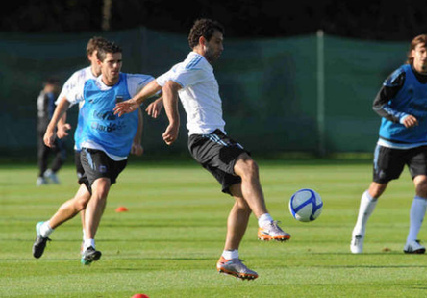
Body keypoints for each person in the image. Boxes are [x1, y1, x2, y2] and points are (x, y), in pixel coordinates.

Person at [114, 18, 290, 280]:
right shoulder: (197, 62)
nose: (221, 47)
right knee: (249, 166)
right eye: (217, 42)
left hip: (207, 138)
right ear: (202, 42)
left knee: (243, 200)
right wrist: (173, 121)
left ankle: (229, 258)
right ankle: (265, 222)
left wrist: (137, 100)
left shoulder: (187, 65)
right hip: (207, 136)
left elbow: (162, 83)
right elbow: (171, 86)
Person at [33, 40, 159, 264]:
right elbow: (63, 101)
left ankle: (45, 228)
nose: (116, 66)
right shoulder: (86, 84)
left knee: (82, 200)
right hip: (90, 144)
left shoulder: (131, 83)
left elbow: (162, 84)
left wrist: (158, 101)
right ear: (99, 63)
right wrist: (53, 128)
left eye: (119, 61)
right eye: (111, 62)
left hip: (118, 152)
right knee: (101, 188)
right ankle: (88, 245)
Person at [350, 34, 427, 255]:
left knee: (423, 184)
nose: (425, 56)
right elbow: (378, 104)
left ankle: (412, 241)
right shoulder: (400, 76)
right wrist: (400, 117)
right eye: (421, 51)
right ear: (412, 53)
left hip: (420, 142)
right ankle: (359, 230)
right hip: (391, 142)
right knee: (377, 188)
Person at [37, 77, 64, 185]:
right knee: (61, 152)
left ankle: (41, 176)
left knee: (43, 153)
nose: (57, 88)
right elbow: (51, 112)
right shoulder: (49, 95)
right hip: (48, 127)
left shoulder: (41, 95)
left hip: (40, 126)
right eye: (56, 85)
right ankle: (51, 171)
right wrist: (55, 126)